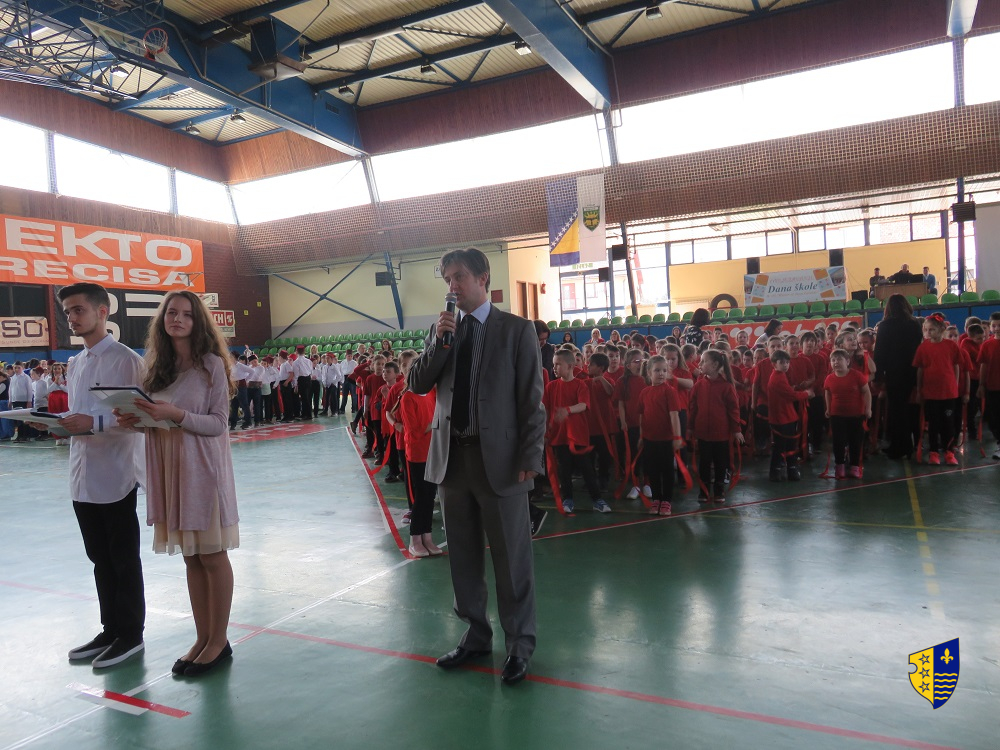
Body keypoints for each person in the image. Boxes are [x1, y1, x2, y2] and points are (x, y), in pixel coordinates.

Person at [408, 247, 545, 686]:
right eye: (447, 279)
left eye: (459, 277)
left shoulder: (516, 330)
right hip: (452, 461)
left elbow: (532, 400)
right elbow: (417, 383)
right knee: (463, 557)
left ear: (483, 277)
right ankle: (476, 635)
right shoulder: (443, 329)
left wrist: (530, 457)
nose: (452, 287)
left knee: (512, 560)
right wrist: (440, 342)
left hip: (502, 462)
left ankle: (519, 644)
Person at [116, 290, 239, 677]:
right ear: (162, 319)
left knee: (212, 555)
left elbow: (218, 424)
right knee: (191, 557)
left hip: (202, 470)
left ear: (197, 321)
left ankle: (219, 641)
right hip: (169, 470)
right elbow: (159, 420)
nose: (178, 319)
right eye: (171, 313)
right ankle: (203, 638)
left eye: (186, 314)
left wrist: (175, 414)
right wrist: (138, 421)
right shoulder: (157, 368)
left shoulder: (211, 365)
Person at [57, 282, 146, 669]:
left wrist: (91, 423)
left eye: (78, 310)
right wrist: (58, 424)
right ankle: (110, 629)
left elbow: (138, 417)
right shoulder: (76, 363)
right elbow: (78, 414)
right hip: (82, 474)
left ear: (102, 312)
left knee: (123, 558)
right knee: (99, 558)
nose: (72, 318)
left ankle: (131, 634)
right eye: (67, 312)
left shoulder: (125, 360)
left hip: (115, 473)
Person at [544, 349, 610, 515]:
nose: (554, 368)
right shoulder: (551, 386)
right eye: (553, 364)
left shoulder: (581, 385)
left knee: (587, 468)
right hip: (559, 436)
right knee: (564, 469)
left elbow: (583, 405)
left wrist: (567, 410)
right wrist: (545, 431)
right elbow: (545, 410)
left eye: (558, 364)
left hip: (578, 435)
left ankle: (597, 499)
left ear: (570, 366)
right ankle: (568, 499)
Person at [688, 349, 742, 503]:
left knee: (720, 463)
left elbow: (733, 410)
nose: (699, 364)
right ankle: (704, 491)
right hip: (703, 433)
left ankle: (719, 491)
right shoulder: (699, 385)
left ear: (715, 365)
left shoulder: (726, 386)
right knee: (704, 463)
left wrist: (736, 430)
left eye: (703, 361)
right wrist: (690, 427)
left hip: (721, 434)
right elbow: (693, 408)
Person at [873, 295, 923, 459]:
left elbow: (880, 352)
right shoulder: (915, 324)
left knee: (896, 410)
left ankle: (900, 446)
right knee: (911, 410)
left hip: (894, 373)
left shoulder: (885, 325)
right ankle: (913, 444)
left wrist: (878, 376)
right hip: (913, 371)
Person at [913, 313, 961, 465]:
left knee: (948, 423)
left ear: (941, 329)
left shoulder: (951, 346)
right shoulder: (923, 348)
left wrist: (955, 385)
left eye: (932, 329)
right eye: (926, 330)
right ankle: (933, 452)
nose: (928, 333)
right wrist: (919, 390)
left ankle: (949, 452)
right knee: (933, 424)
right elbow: (920, 370)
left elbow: (956, 366)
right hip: (931, 392)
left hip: (948, 392)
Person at [638, 355, 683, 515]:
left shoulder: (670, 391)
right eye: (657, 370)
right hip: (650, 439)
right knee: (653, 470)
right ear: (649, 372)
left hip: (666, 439)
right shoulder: (644, 392)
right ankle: (656, 499)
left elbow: (674, 415)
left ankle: (666, 501)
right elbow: (642, 416)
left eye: (664, 370)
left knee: (667, 470)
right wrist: (641, 436)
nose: (661, 373)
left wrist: (677, 437)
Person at [824, 349, 871, 479]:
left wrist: (868, 409)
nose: (836, 362)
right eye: (833, 360)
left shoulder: (856, 375)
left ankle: (855, 466)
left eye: (839, 359)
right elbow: (827, 393)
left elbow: (866, 392)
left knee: (855, 441)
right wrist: (828, 408)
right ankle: (840, 465)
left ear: (848, 361)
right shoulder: (829, 378)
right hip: (837, 415)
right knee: (838, 441)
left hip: (856, 415)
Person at [767, 349, 813, 481]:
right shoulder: (778, 378)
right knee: (787, 446)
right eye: (782, 362)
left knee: (782, 445)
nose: (786, 365)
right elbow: (791, 396)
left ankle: (779, 471)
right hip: (783, 418)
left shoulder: (779, 376)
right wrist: (807, 394)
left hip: (782, 417)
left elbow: (786, 392)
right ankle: (789, 469)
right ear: (774, 364)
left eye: (787, 362)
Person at [614, 349, 648, 501]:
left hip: (647, 424)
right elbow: (621, 404)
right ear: (628, 365)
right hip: (631, 424)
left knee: (647, 454)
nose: (640, 363)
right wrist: (623, 421)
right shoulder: (622, 381)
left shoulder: (648, 379)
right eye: (636, 361)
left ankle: (647, 483)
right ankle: (635, 484)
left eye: (642, 360)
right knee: (633, 455)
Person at [977, 313, 1000, 459]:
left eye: (999, 325)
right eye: (994, 326)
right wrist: (981, 385)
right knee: (994, 419)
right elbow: (983, 366)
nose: (997, 328)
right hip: (992, 387)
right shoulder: (987, 345)